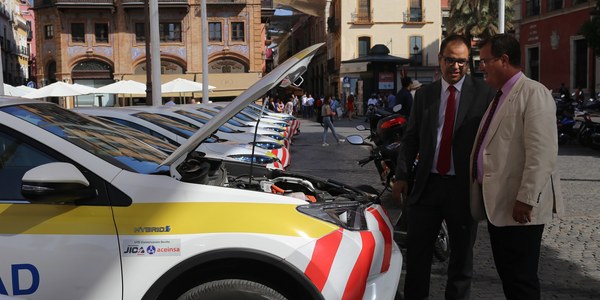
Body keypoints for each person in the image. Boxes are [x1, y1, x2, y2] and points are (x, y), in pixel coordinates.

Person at [391, 34, 496, 300]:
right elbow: (411, 137)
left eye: (462, 62)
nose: (456, 67)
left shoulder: (484, 95)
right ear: (440, 60)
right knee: (417, 256)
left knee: (461, 260)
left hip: (463, 189)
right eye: (450, 60)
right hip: (427, 186)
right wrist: (402, 175)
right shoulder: (425, 95)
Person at [471, 33, 564, 300]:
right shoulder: (499, 97)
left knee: (521, 281)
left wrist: (526, 198)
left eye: (485, 60)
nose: (481, 66)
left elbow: (542, 152)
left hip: (519, 210)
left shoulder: (534, 93)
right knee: (510, 279)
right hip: (499, 206)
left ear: (504, 59)